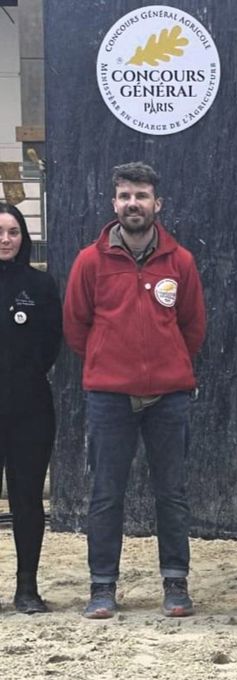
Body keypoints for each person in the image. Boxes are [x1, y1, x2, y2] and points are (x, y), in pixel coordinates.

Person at [63, 162, 207, 619]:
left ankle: (176, 584)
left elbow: (192, 326)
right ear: (114, 203)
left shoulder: (180, 261)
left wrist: (166, 365)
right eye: (125, 196)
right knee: (106, 493)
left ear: (157, 204)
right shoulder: (91, 261)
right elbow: (76, 325)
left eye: (141, 196)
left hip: (169, 396)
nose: (133, 204)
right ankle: (102, 587)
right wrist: (110, 362)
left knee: (173, 494)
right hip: (109, 396)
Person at [0, 202, 61, 613]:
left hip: (29, 408)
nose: (5, 239)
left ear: (24, 237)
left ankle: (27, 588)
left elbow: (50, 344)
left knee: (26, 499)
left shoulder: (40, 286)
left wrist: (22, 377)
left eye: (13, 232)